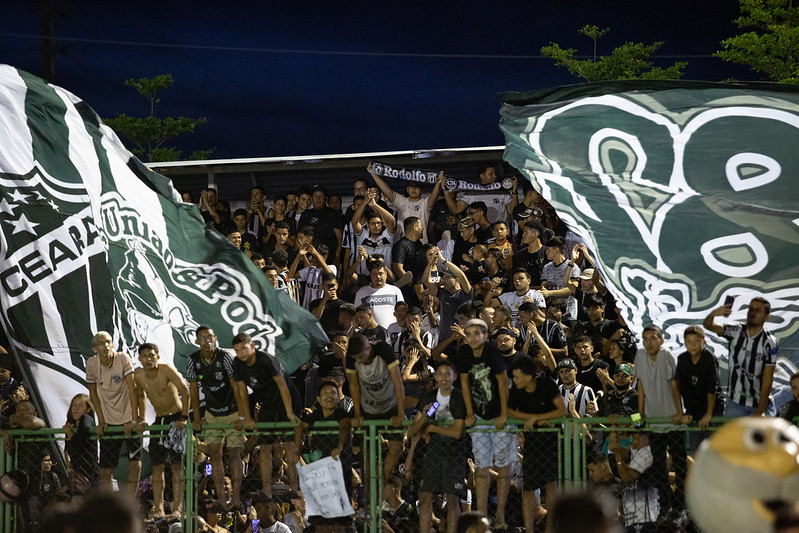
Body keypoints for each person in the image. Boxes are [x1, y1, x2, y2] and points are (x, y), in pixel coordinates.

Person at [456, 318, 512, 529]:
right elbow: (464, 383)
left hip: (499, 413)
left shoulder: (492, 352)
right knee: (481, 467)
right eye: (468, 333)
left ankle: (500, 514)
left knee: (503, 466)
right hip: (479, 416)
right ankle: (481, 515)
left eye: (476, 333)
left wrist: (504, 414)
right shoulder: (464, 353)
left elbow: (502, 382)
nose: (472, 338)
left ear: (485, 335)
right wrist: (470, 413)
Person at [231, 332, 301, 498]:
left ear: (252, 346)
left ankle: (294, 487)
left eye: (244, 348)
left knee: (289, 445)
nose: (241, 353)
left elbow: (283, 386)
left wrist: (290, 412)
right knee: (265, 447)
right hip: (268, 404)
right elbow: (241, 391)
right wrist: (246, 417)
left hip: (288, 401)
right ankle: (266, 490)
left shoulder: (267, 361)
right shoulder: (238, 364)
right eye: (237, 350)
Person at [186, 326, 247, 507]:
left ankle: (235, 497)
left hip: (232, 411)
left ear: (216, 338)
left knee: (235, 453)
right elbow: (193, 391)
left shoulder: (225, 357)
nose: (207, 341)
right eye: (202, 338)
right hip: (212, 413)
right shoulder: (193, 360)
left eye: (210, 337)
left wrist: (242, 415)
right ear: (196, 341)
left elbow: (236, 386)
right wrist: (197, 418)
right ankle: (221, 497)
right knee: (214, 454)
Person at [407, 361, 468, 533]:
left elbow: (457, 432)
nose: (443, 378)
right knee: (424, 497)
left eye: (447, 374)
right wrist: (425, 419)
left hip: (453, 454)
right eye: (440, 374)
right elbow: (412, 431)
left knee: (452, 500)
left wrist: (432, 428)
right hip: (430, 455)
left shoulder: (460, 398)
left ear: (454, 377)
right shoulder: (429, 399)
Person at [508, 356, 566, 533]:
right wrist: (533, 419)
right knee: (529, 488)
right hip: (531, 442)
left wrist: (537, 418)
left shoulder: (547, 384)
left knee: (551, 485)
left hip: (551, 440)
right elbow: (510, 412)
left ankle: (551, 528)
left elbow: (561, 410)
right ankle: (529, 529)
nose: (514, 380)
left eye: (517, 376)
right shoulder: (516, 390)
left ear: (528, 376)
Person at [133, 342, 190, 518]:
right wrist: (142, 418)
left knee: (177, 466)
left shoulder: (166, 370)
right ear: (140, 359)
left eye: (152, 355)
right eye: (145, 356)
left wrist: (184, 417)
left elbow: (185, 391)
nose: (148, 359)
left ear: (157, 356)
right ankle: (159, 508)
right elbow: (141, 396)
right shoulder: (138, 376)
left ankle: (178, 508)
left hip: (176, 418)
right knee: (157, 467)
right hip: (159, 420)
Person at [633, 324, 686, 511]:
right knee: (657, 465)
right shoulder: (640, 355)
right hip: (653, 418)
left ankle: (680, 502)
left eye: (653, 338)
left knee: (680, 463)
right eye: (645, 339)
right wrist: (640, 413)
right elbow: (640, 385)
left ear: (661, 340)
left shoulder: (667, 355)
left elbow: (674, 384)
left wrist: (679, 412)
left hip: (672, 419)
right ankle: (665, 503)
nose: (648, 342)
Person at [84, 331, 141, 494]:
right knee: (105, 469)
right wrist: (101, 421)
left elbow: (133, 388)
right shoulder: (92, 363)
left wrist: (134, 419)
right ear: (95, 349)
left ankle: (129, 504)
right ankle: (109, 505)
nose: (105, 346)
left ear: (113, 345)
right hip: (109, 422)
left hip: (129, 420)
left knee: (135, 464)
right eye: (101, 343)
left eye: (108, 342)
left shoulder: (122, 358)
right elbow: (93, 393)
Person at [703, 296, 777, 416]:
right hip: (735, 403)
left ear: (766, 317)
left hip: (760, 403)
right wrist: (713, 314)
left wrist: (760, 411)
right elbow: (708, 325)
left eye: (758, 310)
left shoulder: (769, 343)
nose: (752, 312)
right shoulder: (735, 331)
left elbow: (768, 378)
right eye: (751, 309)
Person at [345, 333, 405, 481]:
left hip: (389, 404)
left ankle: (384, 479)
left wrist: (400, 414)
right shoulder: (351, 358)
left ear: (369, 348)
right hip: (368, 408)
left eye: (361, 357)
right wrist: (358, 414)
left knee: (397, 446)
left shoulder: (384, 350)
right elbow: (354, 385)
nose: (360, 361)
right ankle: (370, 484)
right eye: (357, 358)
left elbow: (398, 382)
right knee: (366, 451)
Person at [367, 162, 444, 244]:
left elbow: (434, 195)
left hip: (421, 244)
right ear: (407, 189)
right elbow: (387, 190)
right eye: (411, 186)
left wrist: (439, 182)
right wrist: (373, 173)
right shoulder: (402, 201)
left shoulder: (425, 203)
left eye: (417, 186)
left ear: (421, 189)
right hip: (402, 243)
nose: (414, 189)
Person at [675, 325, 722, 453]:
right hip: (694, 411)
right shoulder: (682, 359)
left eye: (697, 341)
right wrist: (685, 412)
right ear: (685, 343)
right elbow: (682, 388)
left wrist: (709, 414)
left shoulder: (709, 358)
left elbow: (711, 387)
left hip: (713, 409)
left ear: (704, 342)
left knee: (714, 451)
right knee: (696, 451)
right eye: (689, 342)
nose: (693, 345)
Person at [608, 431, 659, 532]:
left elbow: (626, 478)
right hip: (630, 517)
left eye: (640, 438)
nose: (635, 441)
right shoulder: (633, 452)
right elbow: (617, 449)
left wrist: (618, 457)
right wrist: (613, 431)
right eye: (634, 438)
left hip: (647, 516)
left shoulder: (648, 453)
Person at [63, 393, 100, 492]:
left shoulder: (87, 418)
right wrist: (69, 468)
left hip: (90, 475)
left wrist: (70, 433)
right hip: (77, 474)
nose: (76, 408)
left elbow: (80, 442)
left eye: (81, 405)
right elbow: (67, 450)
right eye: (74, 405)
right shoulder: (70, 426)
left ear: (88, 409)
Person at [354, 258, 405, 329]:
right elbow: (357, 317)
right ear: (370, 276)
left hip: (393, 333)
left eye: (380, 274)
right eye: (375, 274)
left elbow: (403, 314)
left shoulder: (395, 291)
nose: (378, 277)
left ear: (386, 274)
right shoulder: (361, 292)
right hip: (370, 334)